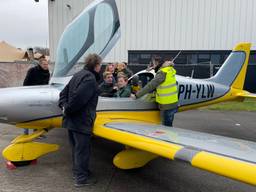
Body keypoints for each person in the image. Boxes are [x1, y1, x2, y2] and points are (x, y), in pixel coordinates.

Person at [58, 53, 101, 187]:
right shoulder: (90, 78)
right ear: (96, 65)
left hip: (71, 121)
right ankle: (81, 179)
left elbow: (62, 94)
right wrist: (68, 108)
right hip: (81, 121)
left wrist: (64, 107)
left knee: (76, 149)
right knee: (82, 150)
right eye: (100, 65)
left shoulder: (78, 75)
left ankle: (79, 172)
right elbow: (79, 99)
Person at [131, 60, 178, 127]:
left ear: (160, 65)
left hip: (166, 105)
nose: (153, 66)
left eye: (155, 64)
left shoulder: (162, 73)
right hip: (173, 102)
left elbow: (150, 86)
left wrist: (136, 95)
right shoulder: (169, 70)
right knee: (168, 125)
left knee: (166, 128)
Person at [23, 57, 50, 135]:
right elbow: (25, 83)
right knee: (28, 113)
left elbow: (46, 84)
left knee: (38, 113)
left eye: (47, 64)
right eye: (44, 64)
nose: (46, 66)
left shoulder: (47, 72)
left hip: (40, 95)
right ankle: (26, 133)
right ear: (40, 64)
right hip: (30, 94)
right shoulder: (32, 71)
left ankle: (36, 132)